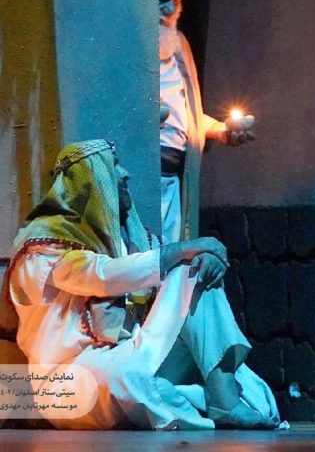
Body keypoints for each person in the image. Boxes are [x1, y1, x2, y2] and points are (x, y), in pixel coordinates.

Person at [9, 139, 280, 430]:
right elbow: (100, 275)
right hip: (70, 373)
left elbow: (164, 268)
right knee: (130, 379)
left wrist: (203, 257)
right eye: (114, 166)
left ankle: (224, 399)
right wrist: (186, 248)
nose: (125, 174)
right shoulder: (43, 246)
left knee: (193, 270)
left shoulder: (132, 240)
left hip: (131, 350)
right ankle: (190, 399)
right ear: (91, 179)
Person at [159, 0, 253, 244]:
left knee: (171, 255)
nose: (170, 8)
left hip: (175, 175)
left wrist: (220, 130)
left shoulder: (179, 46)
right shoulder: (129, 47)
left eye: (177, 0)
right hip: (144, 172)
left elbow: (186, 114)